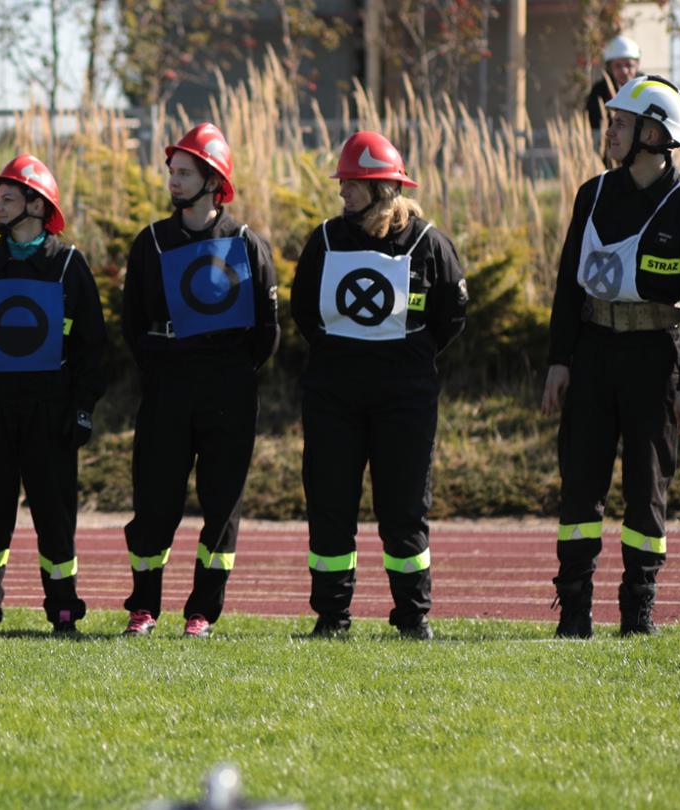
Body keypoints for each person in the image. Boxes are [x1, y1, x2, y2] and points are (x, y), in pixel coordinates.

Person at [543, 76, 680, 639]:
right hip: (593, 352)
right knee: (580, 482)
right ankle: (573, 613)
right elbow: (568, 286)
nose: (609, 128)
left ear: (653, 133)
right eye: (611, 120)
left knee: (647, 488)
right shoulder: (591, 193)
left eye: (620, 121)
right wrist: (559, 361)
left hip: (653, 361)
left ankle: (638, 612)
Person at [290, 131, 468, 641]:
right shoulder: (325, 239)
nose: (343, 193)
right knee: (330, 506)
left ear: (382, 188)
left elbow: (451, 313)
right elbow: (305, 309)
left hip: (405, 399)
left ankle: (412, 618)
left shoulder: (427, 241)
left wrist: (411, 357)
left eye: (352, 184)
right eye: (343, 183)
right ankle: (332, 617)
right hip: (332, 397)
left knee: (404, 508)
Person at [0, 154, 107, 635]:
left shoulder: (70, 265)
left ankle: (64, 612)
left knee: (55, 515)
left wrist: (84, 408)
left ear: (36, 203)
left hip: (50, 412)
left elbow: (94, 347)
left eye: (7, 198)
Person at [119, 123, 278, 639]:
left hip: (228, 387)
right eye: (172, 171)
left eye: (185, 172)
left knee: (221, 503)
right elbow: (131, 321)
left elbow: (267, 331)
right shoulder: (151, 242)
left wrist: (228, 368)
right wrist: (165, 365)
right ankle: (143, 608)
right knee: (155, 501)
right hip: (167, 386)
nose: (173, 180)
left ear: (213, 180)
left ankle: (202, 612)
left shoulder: (245, 243)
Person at [584, 35, 639, 132]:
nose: (624, 71)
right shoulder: (599, 92)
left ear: (637, 65)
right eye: (618, 66)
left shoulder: (646, 87)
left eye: (629, 65)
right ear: (609, 68)